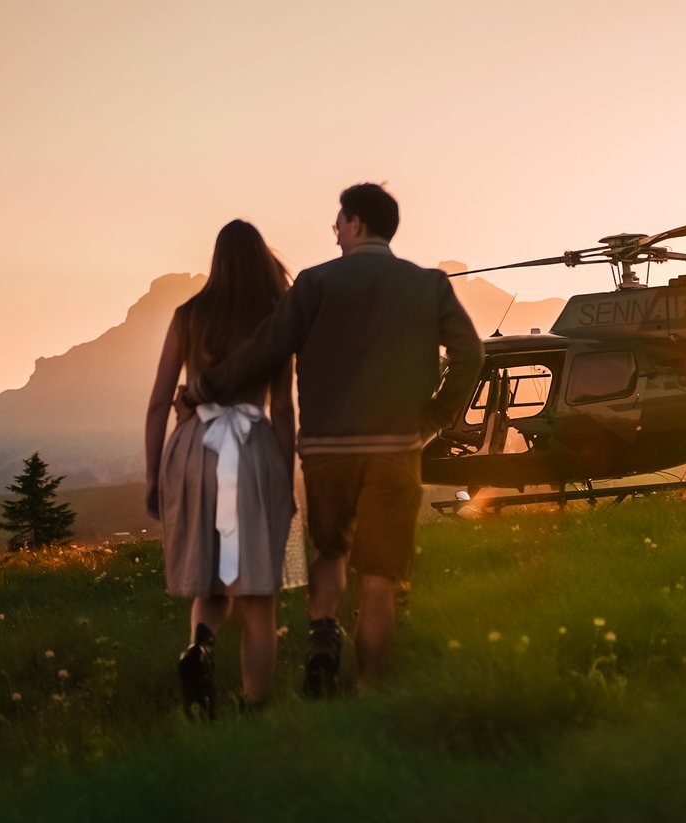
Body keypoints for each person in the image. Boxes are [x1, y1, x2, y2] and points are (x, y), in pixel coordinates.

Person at [186, 183, 483, 696]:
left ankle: (323, 633)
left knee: (331, 552)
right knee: (380, 580)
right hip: (396, 449)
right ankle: (368, 689)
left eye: (339, 220)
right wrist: (433, 419)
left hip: (325, 450)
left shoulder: (315, 283)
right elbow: (471, 356)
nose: (334, 230)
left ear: (358, 223)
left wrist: (206, 388)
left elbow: (266, 348)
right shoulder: (429, 285)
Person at [144, 219, 296, 718]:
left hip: (192, 448)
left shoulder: (188, 316)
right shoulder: (272, 321)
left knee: (210, 583)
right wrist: (285, 476)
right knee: (255, 593)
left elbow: (157, 404)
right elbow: (284, 409)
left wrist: (154, 478)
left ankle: (201, 650)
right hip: (250, 449)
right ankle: (254, 706)